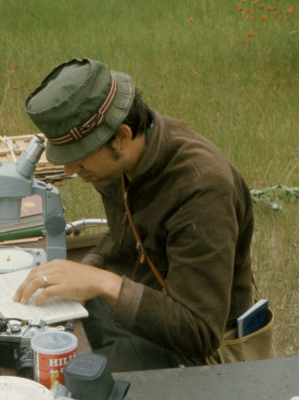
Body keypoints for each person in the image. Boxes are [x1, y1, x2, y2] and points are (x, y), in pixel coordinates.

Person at [13, 58, 254, 371]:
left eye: (79, 157)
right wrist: (85, 272)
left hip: (194, 351)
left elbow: (199, 332)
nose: (71, 170)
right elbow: (123, 231)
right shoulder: (121, 161)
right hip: (139, 310)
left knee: (73, 381)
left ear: (122, 136)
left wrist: (101, 282)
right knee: (35, 342)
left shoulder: (203, 189)